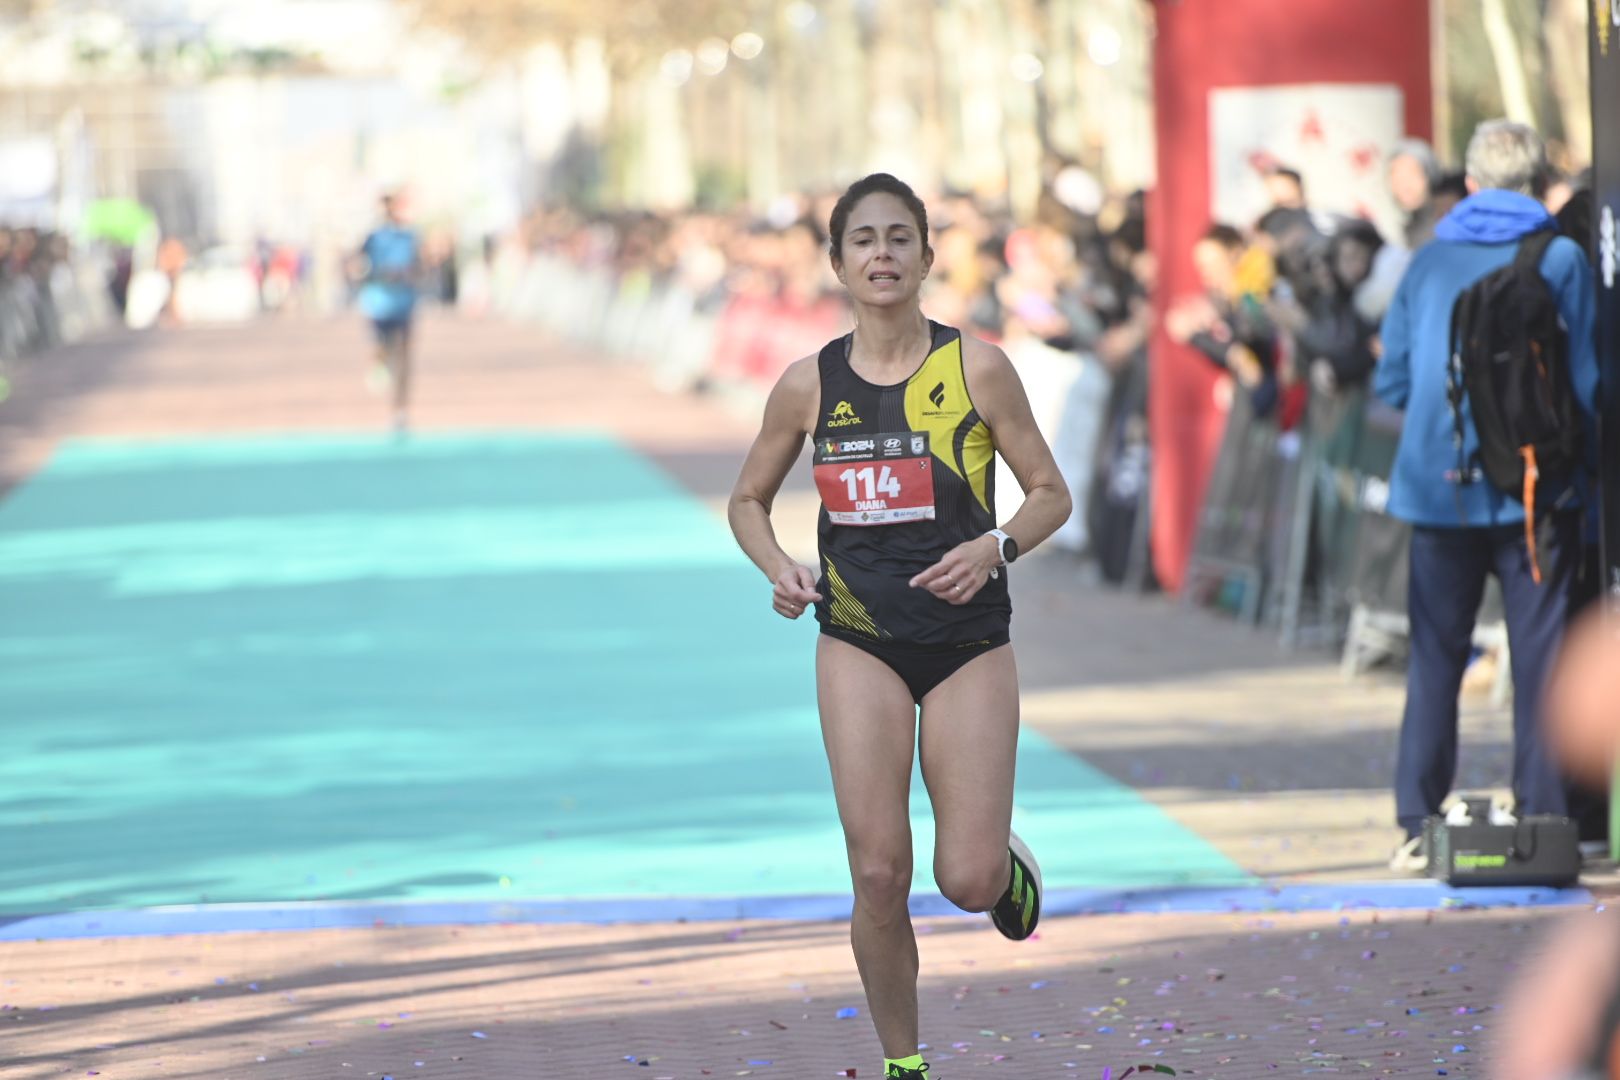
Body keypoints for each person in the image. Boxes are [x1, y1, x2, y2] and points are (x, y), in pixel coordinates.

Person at [727, 173, 1072, 1080]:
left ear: (926, 256)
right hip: (855, 637)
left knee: (962, 881)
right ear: (837, 263)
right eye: (863, 241)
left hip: (966, 645)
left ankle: (998, 857)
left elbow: (1051, 495)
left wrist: (994, 547)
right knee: (879, 872)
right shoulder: (808, 385)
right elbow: (748, 501)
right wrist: (780, 567)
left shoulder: (978, 368)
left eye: (899, 239)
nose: (882, 255)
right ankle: (903, 1065)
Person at [1372, 120, 1599, 871]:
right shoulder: (1563, 258)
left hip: (1437, 493)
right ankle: (1542, 818)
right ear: (1540, 182)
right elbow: (1588, 385)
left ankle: (1416, 818)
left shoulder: (1428, 259)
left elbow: (1395, 380)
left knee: (1435, 656)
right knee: (1541, 659)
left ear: (1468, 183)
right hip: (1537, 493)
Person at [353, 192, 422, 433]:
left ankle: (399, 410)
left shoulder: (410, 237)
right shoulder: (373, 237)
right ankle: (378, 362)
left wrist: (409, 275)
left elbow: (420, 266)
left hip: (403, 303)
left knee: (404, 357)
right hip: (379, 303)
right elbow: (357, 264)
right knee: (382, 349)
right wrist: (374, 275)